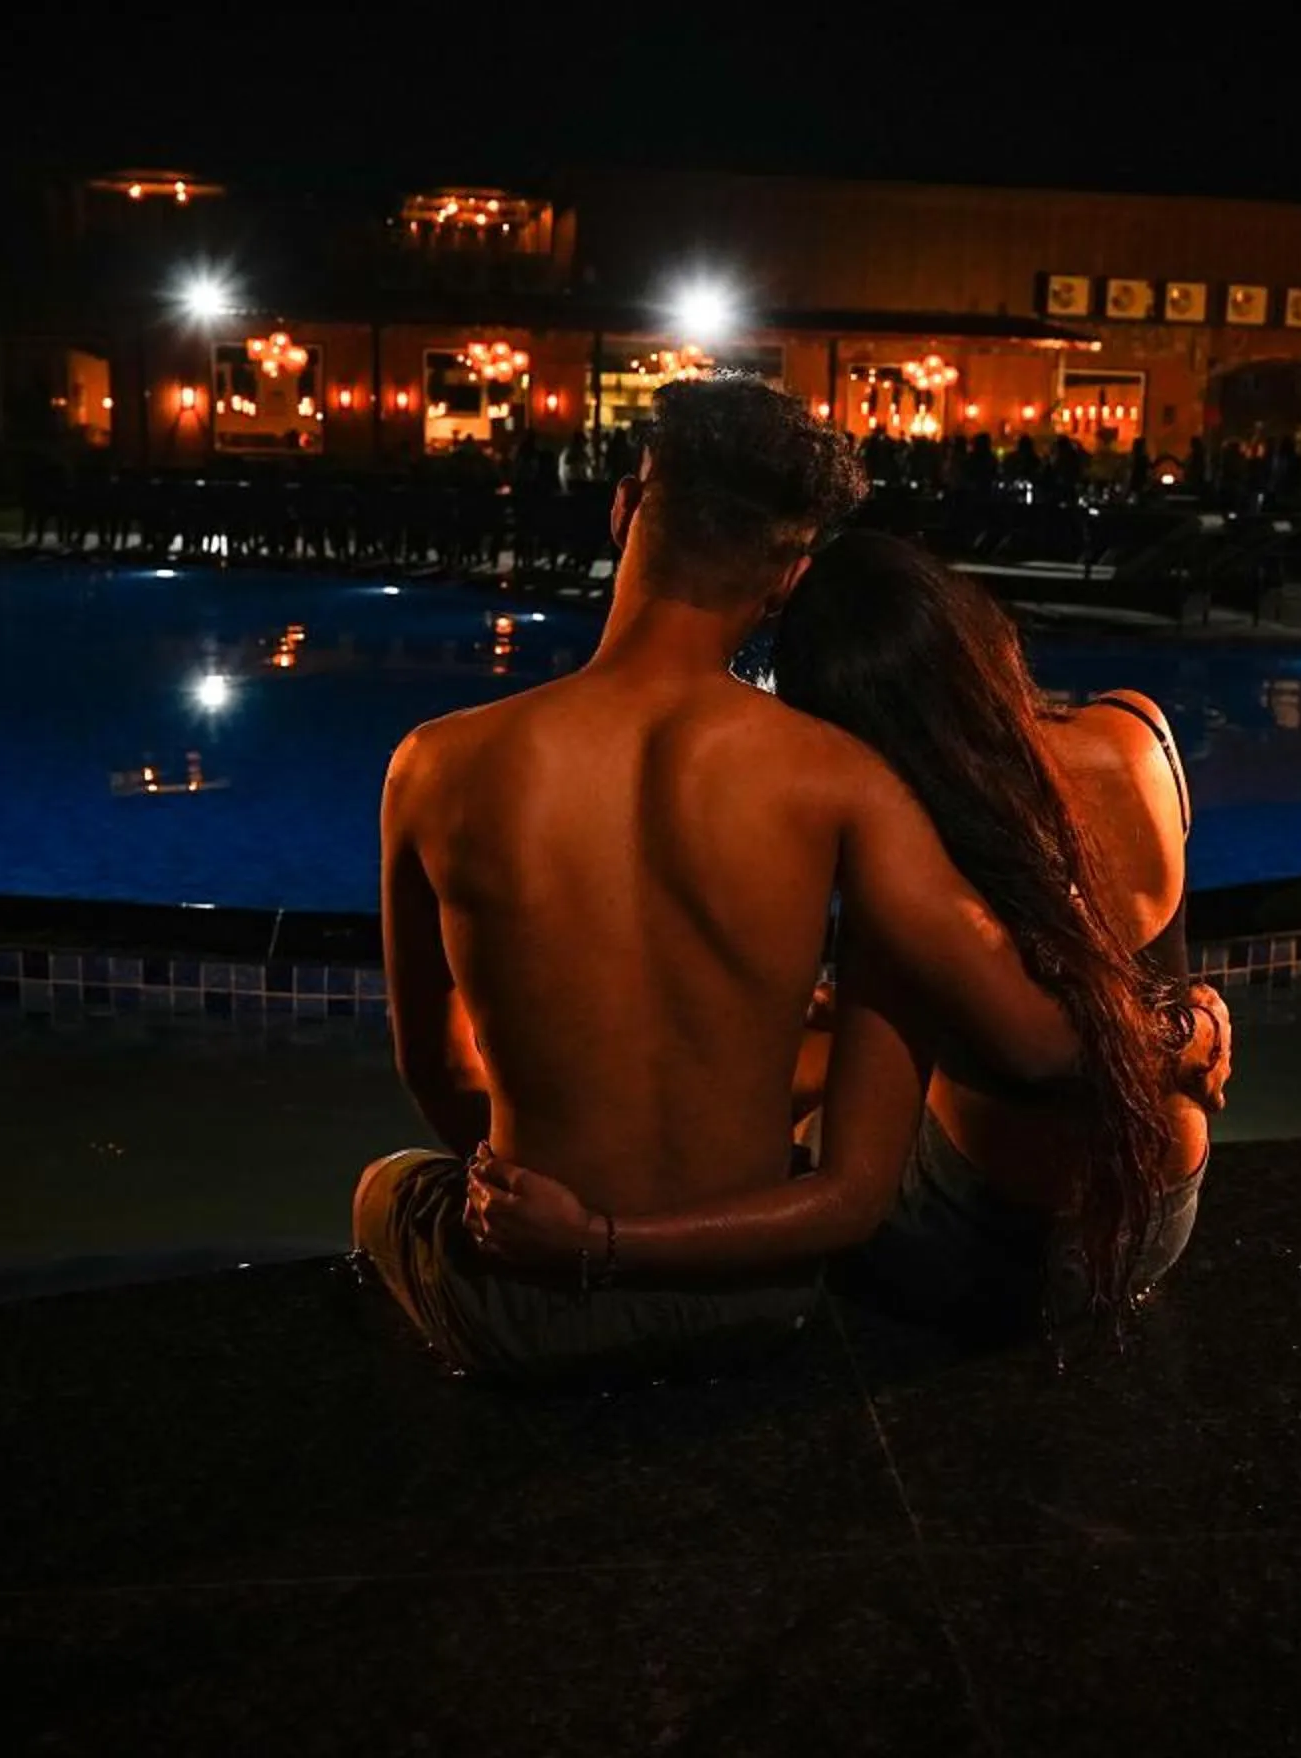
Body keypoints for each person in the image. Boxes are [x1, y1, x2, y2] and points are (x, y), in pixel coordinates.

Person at [356, 375, 1218, 1385]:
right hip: (762, 1294)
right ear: (786, 576)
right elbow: (1031, 1042)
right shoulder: (845, 781)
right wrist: (1177, 1021)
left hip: (530, 1303)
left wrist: (561, 1220)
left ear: (626, 506)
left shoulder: (433, 761)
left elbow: (439, 1075)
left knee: (387, 1184)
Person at [473, 529, 1215, 1343]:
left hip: (1007, 1255)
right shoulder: (1136, 731)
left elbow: (849, 1201)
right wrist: (1192, 1025)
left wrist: (597, 1245)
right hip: (1165, 1207)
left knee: (764, 1111)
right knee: (822, 1046)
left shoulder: (912, 862)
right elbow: (1154, 1000)